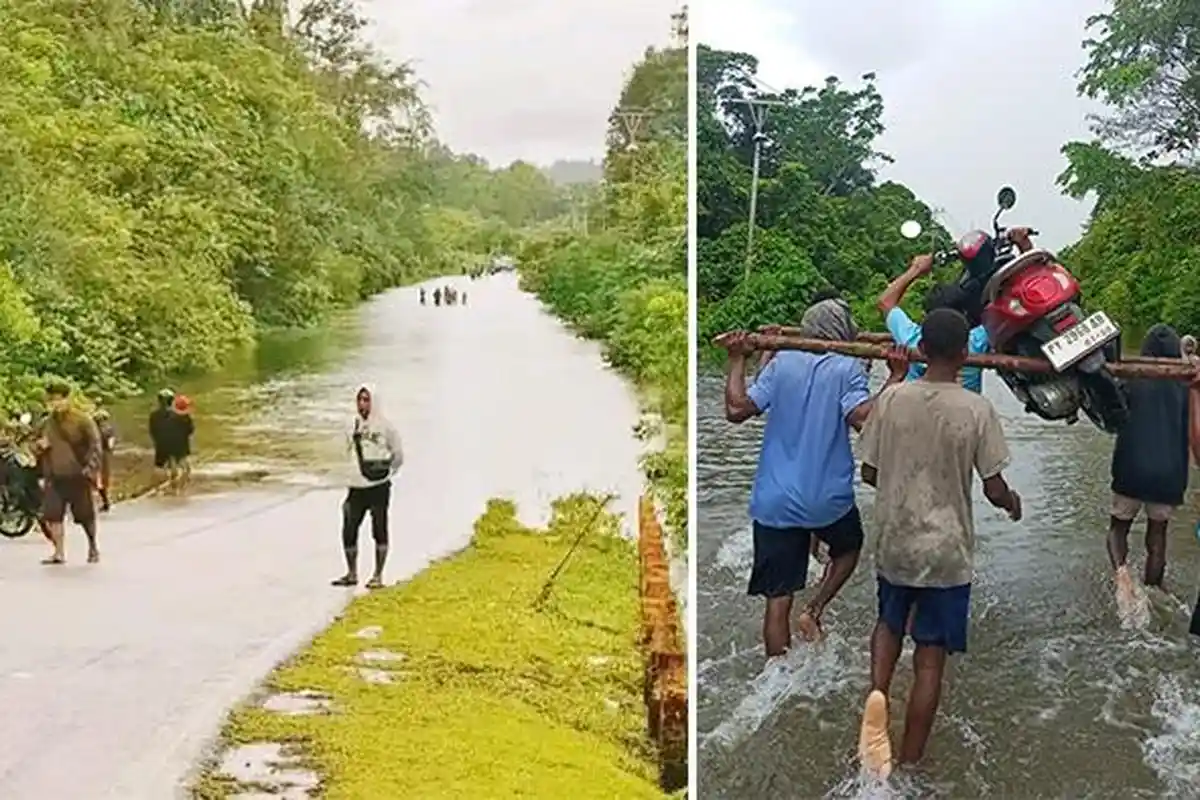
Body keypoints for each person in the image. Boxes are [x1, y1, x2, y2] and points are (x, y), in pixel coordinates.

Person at [857, 308, 1021, 777]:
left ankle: (878, 693)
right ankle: (909, 765)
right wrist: (1012, 503)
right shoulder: (976, 409)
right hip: (946, 552)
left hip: (896, 541)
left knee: (888, 623)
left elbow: (869, 472)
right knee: (929, 661)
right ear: (966, 354)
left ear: (921, 350)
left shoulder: (892, 400)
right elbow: (993, 488)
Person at [718, 298, 908, 655]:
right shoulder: (847, 368)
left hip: (774, 500)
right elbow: (864, 419)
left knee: (777, 599)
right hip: (826, 499)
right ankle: (815, 608)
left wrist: (737, 359)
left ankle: (776, 673)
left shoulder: (782, 363)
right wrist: (895, 378)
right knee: (849, 549)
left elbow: (736, 409)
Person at [1108, 324, 1189, 608]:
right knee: (1157, 535)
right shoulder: (1186, 386)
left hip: (1131, 468)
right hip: (1169, 474)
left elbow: (1110, 413)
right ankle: (1155, 589)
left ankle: (1122, 575)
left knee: (1118, 528)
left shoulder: (1130, 379)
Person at [331, 384, 403, 589]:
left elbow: (398, 455)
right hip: (356, 485)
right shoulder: (352, 426)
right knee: (349, 527)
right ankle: (351, 573)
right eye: (359, 399)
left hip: (379, 486)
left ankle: (378, 575)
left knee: (379, 528)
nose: (362, 404)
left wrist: (387, 473)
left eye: (366, 400)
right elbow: (344, 452)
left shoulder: (387, 428)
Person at [37, 381, 104, 565]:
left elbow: (95, 446)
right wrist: (40, 447)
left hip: (77, 475)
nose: (56, 404)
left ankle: (92, 546)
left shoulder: (82, 420)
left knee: (85, 515)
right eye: (52, 400)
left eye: (59, 400)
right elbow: (35, 445)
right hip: (54, 476)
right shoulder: (46, 423)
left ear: (67, 399)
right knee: (53, 515)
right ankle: (58, 552)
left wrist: (90, 469)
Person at [93, 407, 117, 512]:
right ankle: (106, 501)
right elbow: (110, 445)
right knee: (104, 479)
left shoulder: (93, 430)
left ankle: (104, 501)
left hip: (94, 456)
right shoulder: (109, 430)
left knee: (97, 479)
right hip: (104, 456)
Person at [170, 394, 195, 488]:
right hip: (183, 444)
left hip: (171, 443)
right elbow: (191, 430)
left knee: (173, 461)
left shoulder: (171, 417)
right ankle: (183, 483)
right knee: (184, 463)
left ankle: (173, 479)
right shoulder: (187, 419)